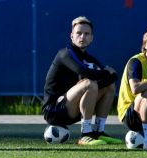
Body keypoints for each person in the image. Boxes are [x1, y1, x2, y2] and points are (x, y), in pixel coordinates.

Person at [42, 16, 122, 145]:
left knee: (109, 86)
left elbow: (113, 77)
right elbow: (85, 72)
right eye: (78, 33)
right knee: (89, 83)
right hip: (54, 111)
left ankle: (98, 131)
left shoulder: (90, 59)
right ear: (71, 36)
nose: (82, 37)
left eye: (86, 34)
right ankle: (85, 134)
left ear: (92, 38)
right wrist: (104, 74)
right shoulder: (65, 54)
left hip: (73, 107)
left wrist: (102, 79)